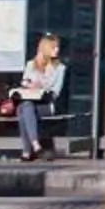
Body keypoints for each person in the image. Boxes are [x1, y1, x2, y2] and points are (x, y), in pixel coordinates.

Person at [13, 34, 67, 162]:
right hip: (30, 100)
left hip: (46, 103)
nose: (57, 50)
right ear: (45, 49)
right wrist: (30, 85)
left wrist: (41, 86)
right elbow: (24, 82)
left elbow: (56, 92)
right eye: (54, 48)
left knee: (23, 109)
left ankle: (28, 150)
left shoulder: (60, 68)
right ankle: (35, 146)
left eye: (58, 47)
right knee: (25, 106)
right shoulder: (31, 64)